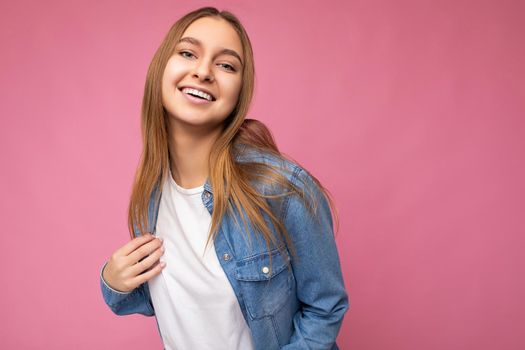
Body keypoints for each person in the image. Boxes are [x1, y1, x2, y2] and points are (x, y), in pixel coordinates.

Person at [99, 6, 349, 350]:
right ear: (161, 69)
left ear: (238, 94)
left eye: (226, 65)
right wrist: (113, 282)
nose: (203, 71)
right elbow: (179, 300)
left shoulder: (282, 188)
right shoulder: (152, 194)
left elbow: (326, 308)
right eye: (188, 53)